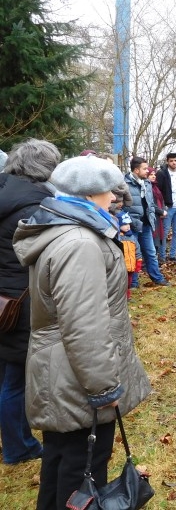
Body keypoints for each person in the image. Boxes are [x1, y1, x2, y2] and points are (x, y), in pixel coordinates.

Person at [13, 155, 152, 510]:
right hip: (76, 378)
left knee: (63, 460)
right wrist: (104, 388)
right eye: (108, 191)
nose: (113, 198)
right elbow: (84, 325)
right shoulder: (80, 243)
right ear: (90, 196)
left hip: (62, 372)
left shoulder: (68, 230)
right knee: (82, 470)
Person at [0, 139, 60, 465]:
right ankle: (18, 446)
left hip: (4, 297)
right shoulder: (32, 204)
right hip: (18, 301)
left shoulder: (6, 191)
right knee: (15, 379)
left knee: (4, 373)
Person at [123, 156, 170, 287]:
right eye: (144, 169)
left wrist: (160, 211)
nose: (147, 171)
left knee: (151, 253)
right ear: (136, 170)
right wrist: (126, 222)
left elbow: (150, 205)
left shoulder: (147, 183)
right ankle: (133, 282)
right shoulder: (124, 184)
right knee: (133, 254)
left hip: (147, 225)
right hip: (132, 226)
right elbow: (120, 206)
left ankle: (157, 278)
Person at [147, 167, 167, 264]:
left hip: (158, 217)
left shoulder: (155, 187)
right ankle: (150, 262)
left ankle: (155, 259)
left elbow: (160, 200)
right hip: (151, 216)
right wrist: (160, 211)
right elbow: (150, 203)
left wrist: (163, 210)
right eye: (151, 174)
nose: (154, 176)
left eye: (154, 174)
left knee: (158, 238)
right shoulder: (147, 187)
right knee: (152, 238)